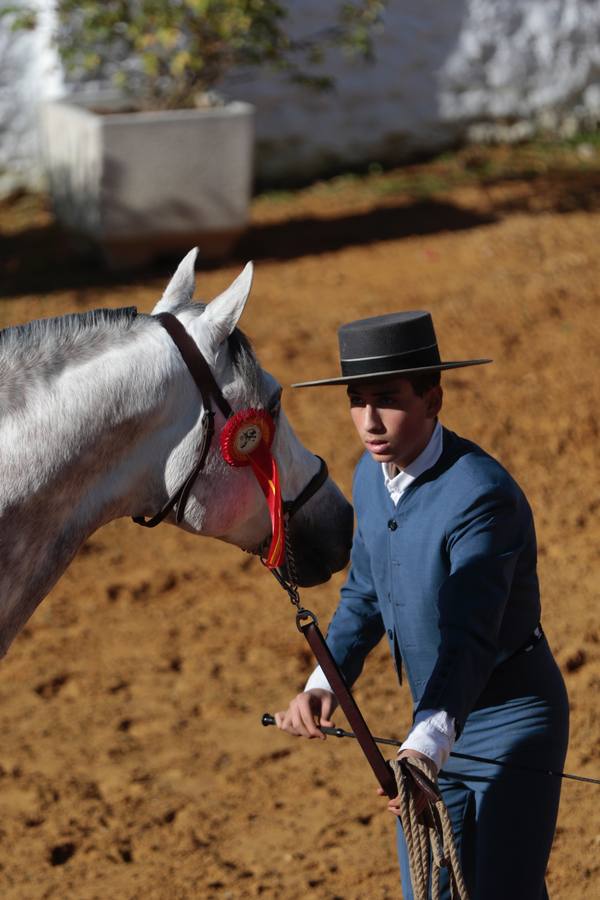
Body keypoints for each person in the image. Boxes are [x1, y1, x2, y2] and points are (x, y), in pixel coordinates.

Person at [274, 311, 569, 900]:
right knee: (429, 890)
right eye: (356, 402)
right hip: (433, 720)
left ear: (434, 399)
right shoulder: (367, 475)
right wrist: (326, 680)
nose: (369, 421)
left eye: (387, 399)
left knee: (500, 890)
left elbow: (470, 635)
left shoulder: (481, 496)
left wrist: (427, 745)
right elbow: (364, 593)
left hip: (508, 719)